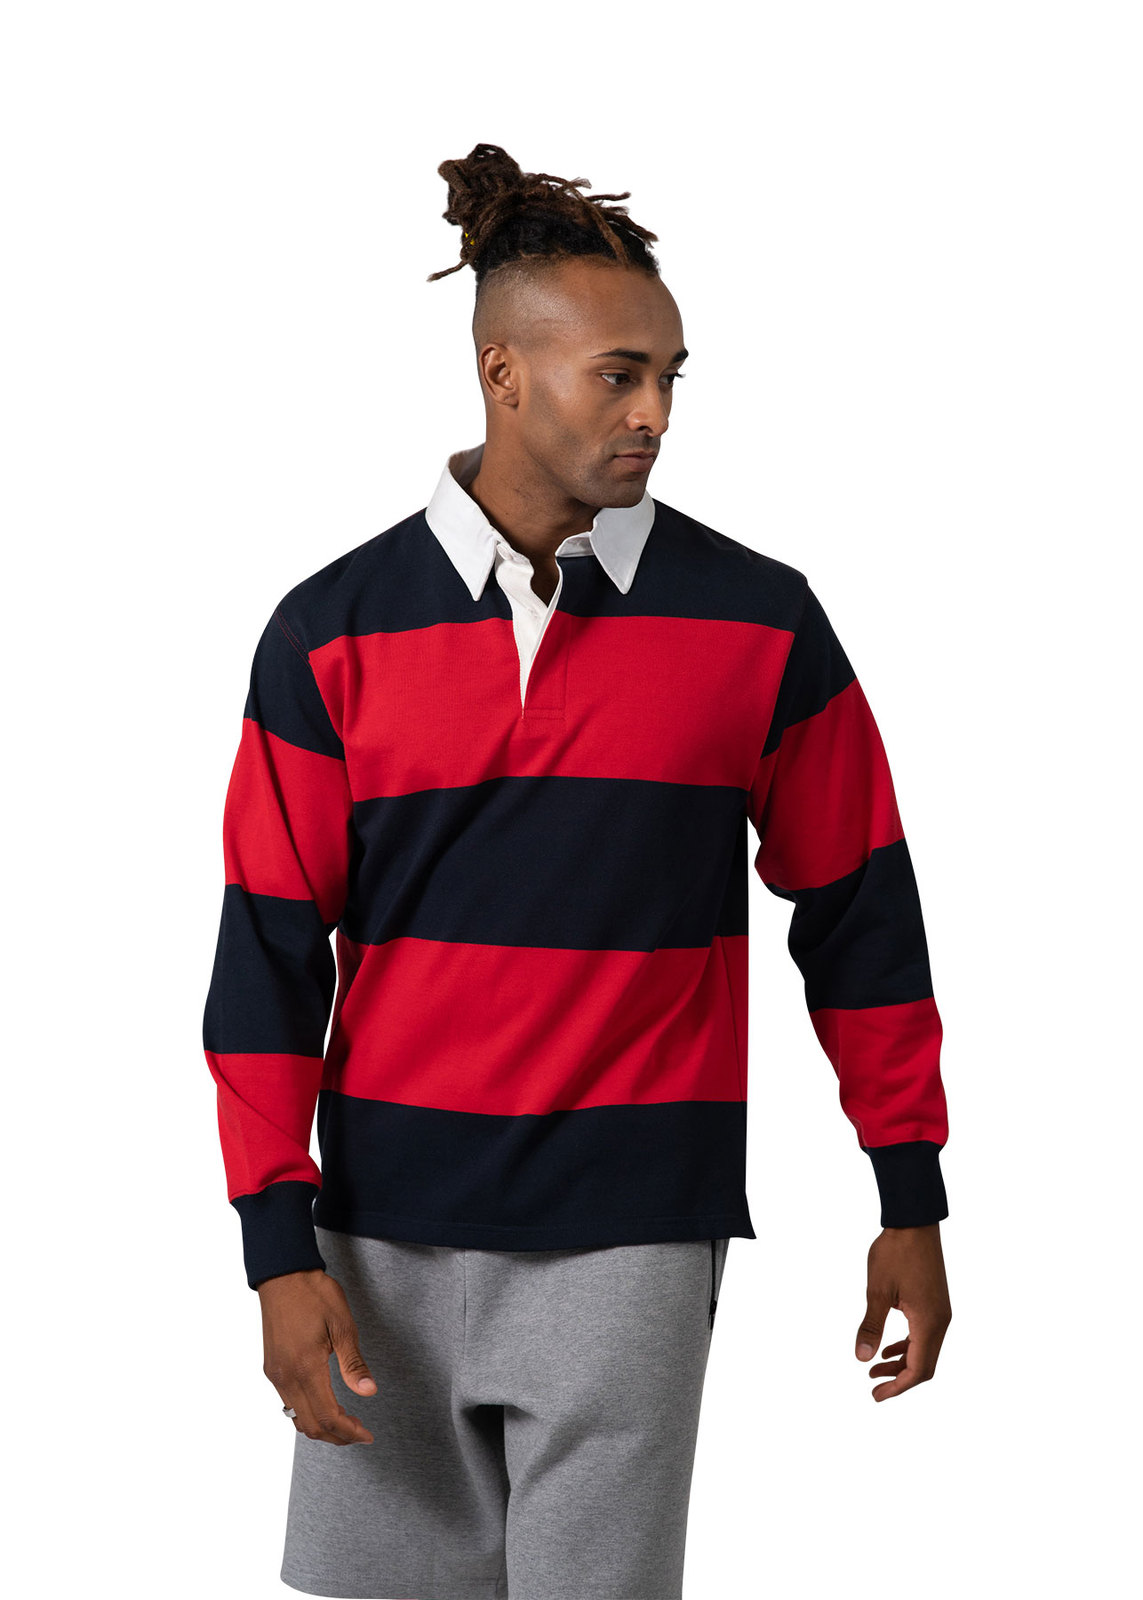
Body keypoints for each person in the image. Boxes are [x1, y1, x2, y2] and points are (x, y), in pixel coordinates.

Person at [202, 140, 952, 1600]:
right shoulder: (330, 631)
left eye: (671, 376)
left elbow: (862, 911)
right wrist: (275, 1248)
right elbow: (267, 958)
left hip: (635, 1230)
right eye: (619, 375)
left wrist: (909, 1192)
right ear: (502, 373)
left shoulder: (761, 624)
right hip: (379, 1235)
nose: (655, 411)